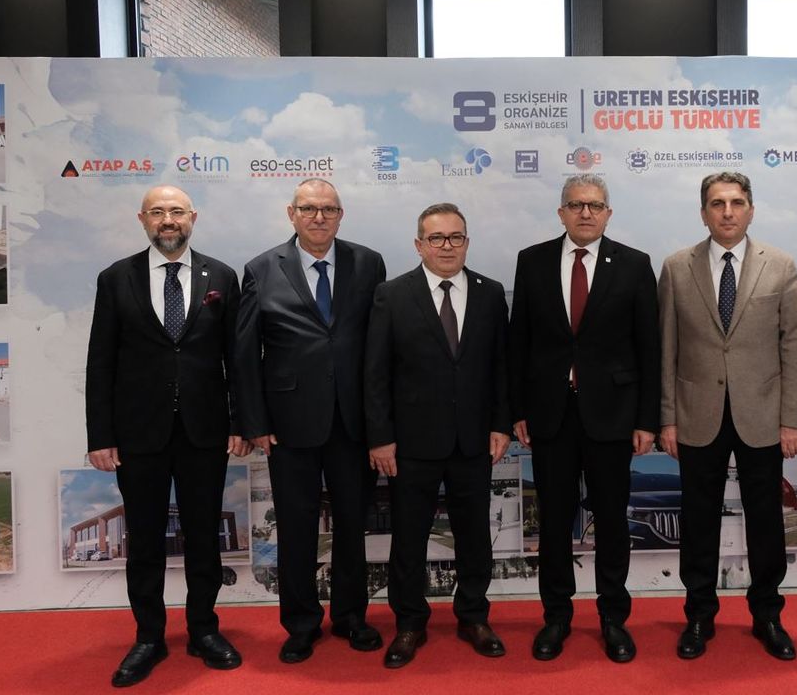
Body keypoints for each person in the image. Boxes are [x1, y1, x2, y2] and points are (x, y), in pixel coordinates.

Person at [85, 184, 249, 687]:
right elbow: (101, 362)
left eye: (176, 211)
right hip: (138, 433)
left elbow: (238, 359)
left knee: (203, 536)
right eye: (157, 212)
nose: (168, 220)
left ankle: (204, 630)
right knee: (145, 539)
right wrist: (100, 435)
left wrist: (241, 422)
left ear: (192, 217)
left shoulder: (221, 276)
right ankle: (149, 638)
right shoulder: (116, 278)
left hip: (205, 431)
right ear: (142, 220)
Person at [234, 178, 387, 663]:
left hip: (353, 422)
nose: (319, 217)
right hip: (288, 424)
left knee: (352, 525)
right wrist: (253, 421)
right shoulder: (261, 268)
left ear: (341, 214)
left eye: (328, 209)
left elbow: (380, 346)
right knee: (296, 528)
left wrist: (382, 422)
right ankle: (300, 624)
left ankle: (351, 617)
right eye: (308, 209)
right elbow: (244, 353)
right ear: (291, 213)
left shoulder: (369, 263)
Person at [658, 171, 797, 661]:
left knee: (765, 520)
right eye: (717, 203)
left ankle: (767, 615)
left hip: (762, 415)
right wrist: (667, 418)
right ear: (703, 212)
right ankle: (699, 615)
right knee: (698, 521)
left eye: (737, 202)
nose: (728, 212)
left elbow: (796, 347)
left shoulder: (780, 266)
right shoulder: (676, 267)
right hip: (695, 414)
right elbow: (667, 348)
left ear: (751, 209)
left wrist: (793, 420)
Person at [509, 174, 660, 663]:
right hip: (550, 415)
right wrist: (517, 411)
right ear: (561, 213)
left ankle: (614, 618)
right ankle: (556, 617)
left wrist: (647, 419)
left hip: (613, 416)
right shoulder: (531, 261)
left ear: (608, 213)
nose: (586, 213)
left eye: (595, 205)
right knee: (554, 521)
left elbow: (649, 347)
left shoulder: (635, 264)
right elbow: (519, 342)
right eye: (576, 205)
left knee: (611, 520)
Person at [365, 203, 511, 668]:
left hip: (473, 441)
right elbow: (375, 372)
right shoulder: (392, 294)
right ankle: (410, 622)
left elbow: (501, 366)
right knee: (408, 539)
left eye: (456, 237)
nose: (447, 246)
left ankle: (474, 617)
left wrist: (501, 424)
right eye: (436, 238)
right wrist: (380, 437)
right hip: (410, 444)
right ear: (419, 244)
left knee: (474, 536)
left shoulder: (490, 293)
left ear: (467, 242)